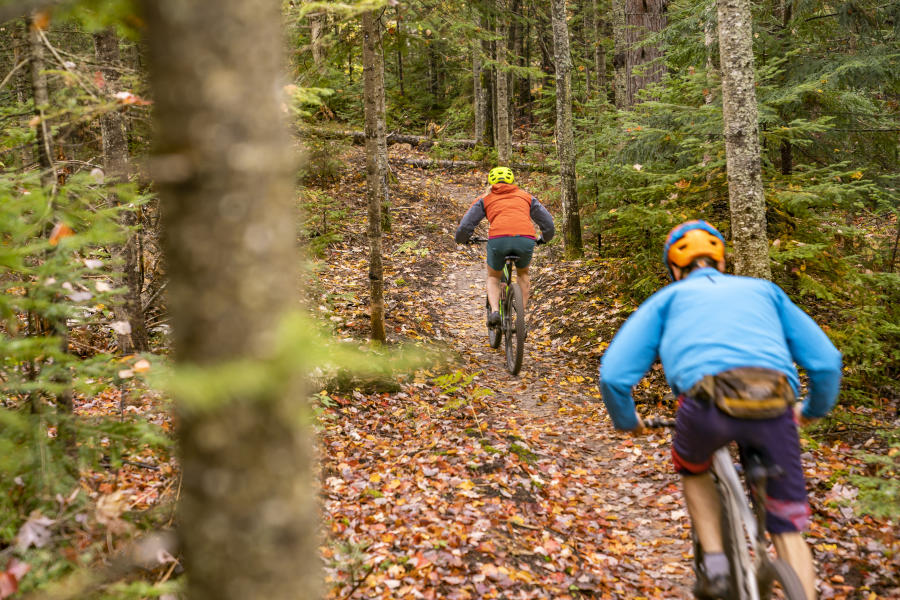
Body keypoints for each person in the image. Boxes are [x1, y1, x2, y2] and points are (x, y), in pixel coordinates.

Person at [598, 220, 841, 600]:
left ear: (674, 269)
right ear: (722, 262)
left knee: (692, 468)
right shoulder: (766, 291)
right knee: (788, 529)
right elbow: (826, 363)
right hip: (774, 406)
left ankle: (715, 567)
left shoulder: (667, 299)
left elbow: (613, 375)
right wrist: (811, 410)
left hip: (705, 407)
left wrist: (628, 422)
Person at [455, 166, 555, 327]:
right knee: (523, 273)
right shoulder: (526, 197)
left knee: (494, 276)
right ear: (512, 181)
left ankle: (495, 312)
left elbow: (466, 225)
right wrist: (544, 238)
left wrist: (462, 239)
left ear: (490, 182)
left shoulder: (485, 198)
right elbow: (548, 223)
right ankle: (520, 319)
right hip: (525, 239)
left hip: (499, 239)